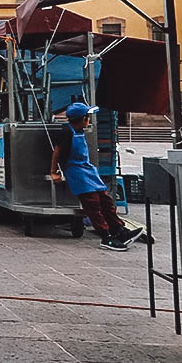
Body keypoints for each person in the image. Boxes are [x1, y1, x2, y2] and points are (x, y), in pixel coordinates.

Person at [49, 103, 144, 252]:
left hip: (88, 170)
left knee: (106, 201)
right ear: (83, 119)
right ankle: (106, 237)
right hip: (77, 172)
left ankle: (119, 229)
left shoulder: (80, 131)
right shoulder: (67, 132)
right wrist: (54, 171)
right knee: (93, 205)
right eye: (88, 117)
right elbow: (57, 151)